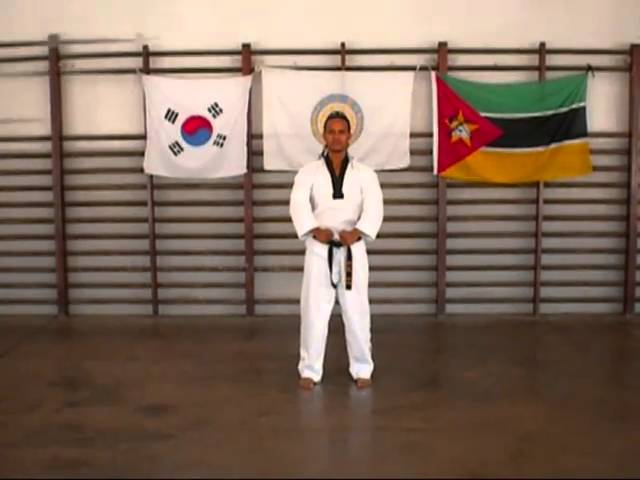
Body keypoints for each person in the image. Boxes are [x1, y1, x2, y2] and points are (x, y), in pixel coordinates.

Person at [289, 110, 384, 390]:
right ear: (323, 135)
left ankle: (362, 368)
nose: (336, 137)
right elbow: (298, 204)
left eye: (341, 132)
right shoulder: (308, 172)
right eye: (331, 132)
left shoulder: (365, 174)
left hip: (353, 250)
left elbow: (375, 207)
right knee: (314, 311)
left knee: (357, 310)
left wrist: (358, 231)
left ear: (350, 136)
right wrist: (312, 228)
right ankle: (310, 369)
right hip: (320, 250)